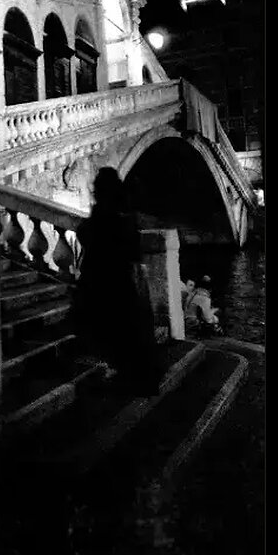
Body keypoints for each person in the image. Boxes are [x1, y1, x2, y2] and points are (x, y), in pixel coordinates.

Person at [74, 167, 160, 396]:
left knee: (106, 333)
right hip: (121, 285)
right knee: (127, 335)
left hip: (100, 283)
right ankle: (134, 379)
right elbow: (134, 255)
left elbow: (85, 235)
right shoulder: (125, 219)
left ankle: (119, 375)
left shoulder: (98, 219)